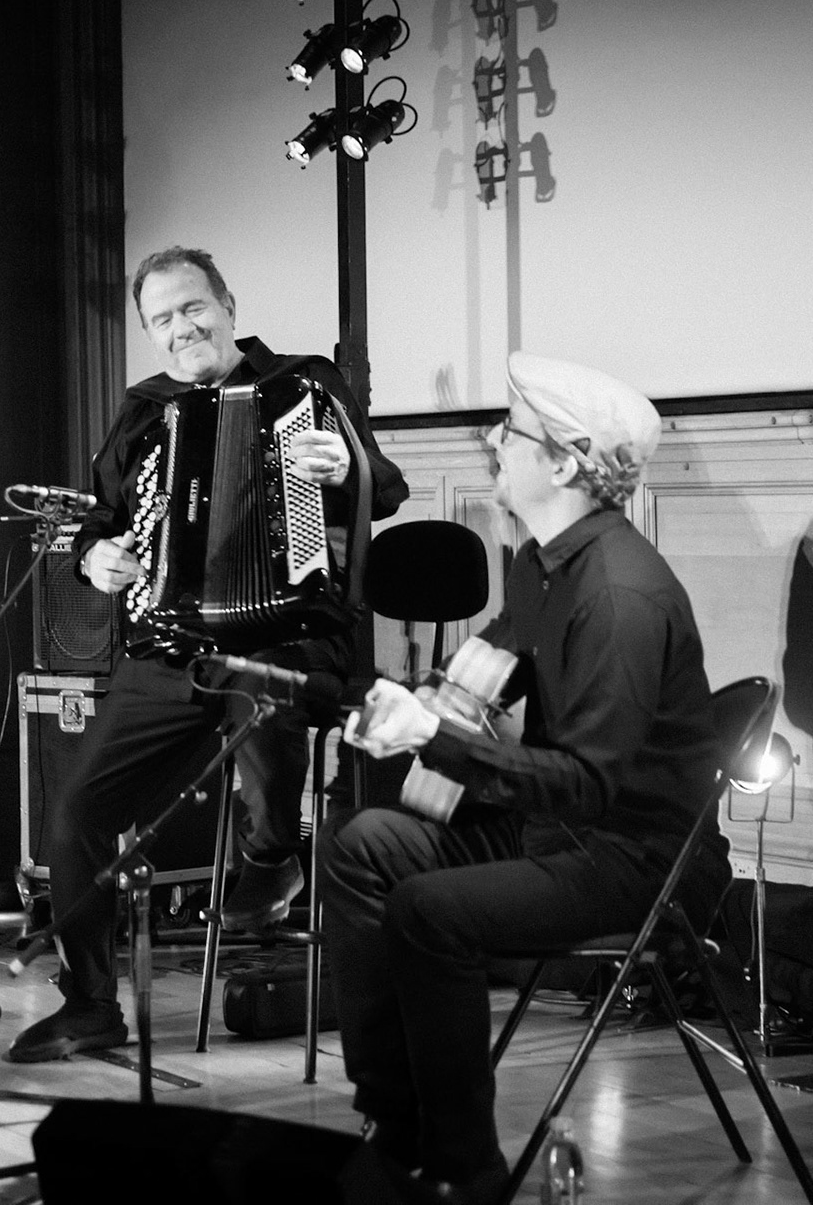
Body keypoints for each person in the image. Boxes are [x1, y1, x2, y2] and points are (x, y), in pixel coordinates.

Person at [329, 353, 729, 1193]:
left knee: (431, 909)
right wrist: (410, 715)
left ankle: (461, 1166)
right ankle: (393, 1121)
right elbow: (490, 673)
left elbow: (588, 783)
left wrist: (431, 738)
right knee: (366, 842)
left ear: (563, 462)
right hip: (556, 832)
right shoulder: (539, 561)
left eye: (510, 431)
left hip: (631, 857)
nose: (491, 441)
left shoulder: (619, 595)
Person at [5, 246, 409, 1063]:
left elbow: (387, 487)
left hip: (285, 632)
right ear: (150, 334)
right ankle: (89, 1001)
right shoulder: (145, 411)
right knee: (75, 814)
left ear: (227, 303)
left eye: (194, 308)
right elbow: (102, 521)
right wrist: (97, 558)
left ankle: (271, 853)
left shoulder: (305, 386)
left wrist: (345, 466)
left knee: (261, 709)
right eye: (163, 319)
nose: (182, 327)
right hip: (173, 643)